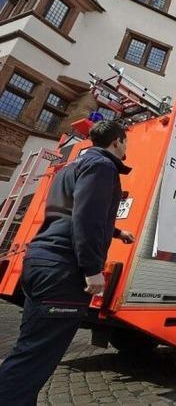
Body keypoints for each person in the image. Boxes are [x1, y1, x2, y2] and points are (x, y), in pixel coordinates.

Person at [0, 121, 135, 405]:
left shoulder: (72, 166)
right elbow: (86, 217)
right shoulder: (103, 166)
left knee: (30, 349)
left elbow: (72, 209)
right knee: (34, 358)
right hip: (63, 269)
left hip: (40, 260)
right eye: (125, 142)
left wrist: (117, 232)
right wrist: (92, 269)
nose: (126, 148)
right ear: (117, 142)